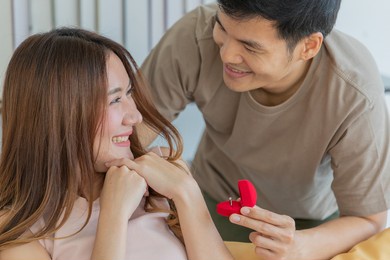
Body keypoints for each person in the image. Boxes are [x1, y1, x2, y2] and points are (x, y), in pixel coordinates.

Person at [140, 0, 390, 259]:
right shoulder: (195, 34)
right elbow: (128, 130)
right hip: (205, 201)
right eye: (222, 28)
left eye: (250, 46)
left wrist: (301, 246)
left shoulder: (355, 95)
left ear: (308, 46)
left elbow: (369, 219)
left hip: (307, 227)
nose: (226, 54)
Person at [0, 28, 233, 260]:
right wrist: (113, 216)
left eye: (129, 93)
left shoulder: (158, 185)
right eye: (115, 100)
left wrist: (186, 192)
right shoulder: (22, 231)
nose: (135, 117)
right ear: (58, 116)